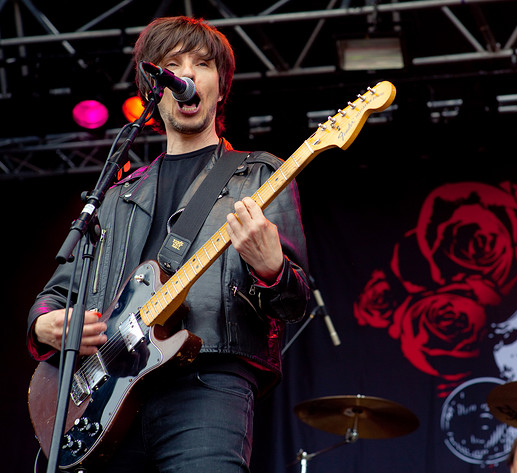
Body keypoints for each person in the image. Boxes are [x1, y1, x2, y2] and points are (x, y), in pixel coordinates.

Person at [26, 16, 310, 473]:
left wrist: (271, 270)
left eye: (202, 64)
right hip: (108, 396)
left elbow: (294, 302)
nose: (188, 75)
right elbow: (55, 296)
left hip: (208, 382)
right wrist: (44, 326)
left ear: (221, 85)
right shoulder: (118, 195)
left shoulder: (258, 176)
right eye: (172, 65)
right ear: (153, 88)